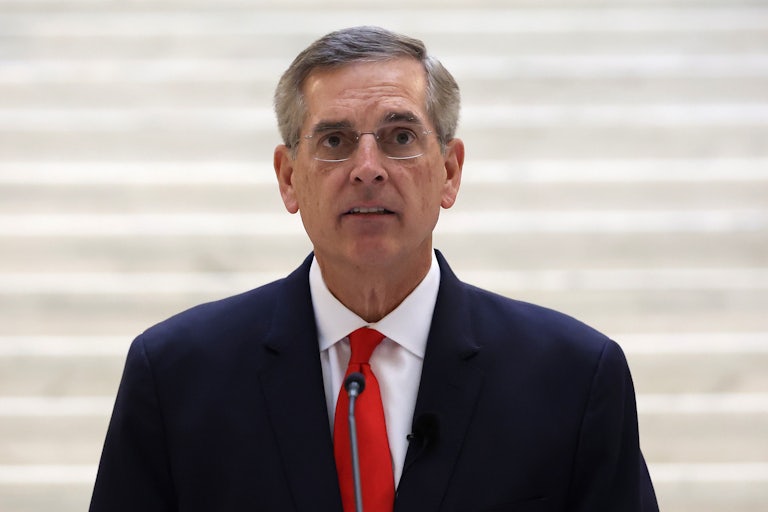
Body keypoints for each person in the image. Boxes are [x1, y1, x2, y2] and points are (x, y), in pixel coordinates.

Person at [90, 26, 658, 511]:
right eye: (334, 140)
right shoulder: (175, 376)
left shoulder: (575, 377)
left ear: (451, 172)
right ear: (289, 178)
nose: (368, 168)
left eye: (400, 137)